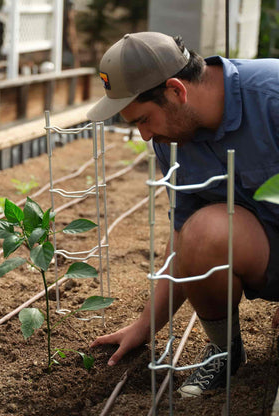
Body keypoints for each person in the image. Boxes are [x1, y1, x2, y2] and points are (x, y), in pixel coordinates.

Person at [87, 31, 279, 398]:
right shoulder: (173, 139)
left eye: (144, 119)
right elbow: (183, 241)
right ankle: (224, 350)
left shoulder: (272, 96)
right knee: (202, 232)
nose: (144, 136)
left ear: (176, 91)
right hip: (266, 251)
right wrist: (145, 327)